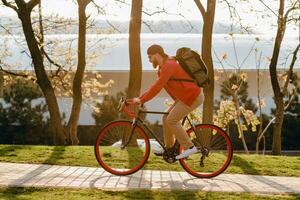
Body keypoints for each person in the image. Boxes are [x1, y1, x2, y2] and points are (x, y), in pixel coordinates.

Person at [132, 44, 204, 160]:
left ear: (156, 55)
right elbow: (155, 86)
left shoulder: (169, 65)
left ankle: (189, 147)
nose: (149, 60)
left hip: (193, 96)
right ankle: (170, 148)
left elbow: (157, 87)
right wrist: (141, 98)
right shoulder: (163, 68)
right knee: (166, 117)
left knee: (172, 120)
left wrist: (141, 99)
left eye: (150, 57)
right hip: (185, 97)